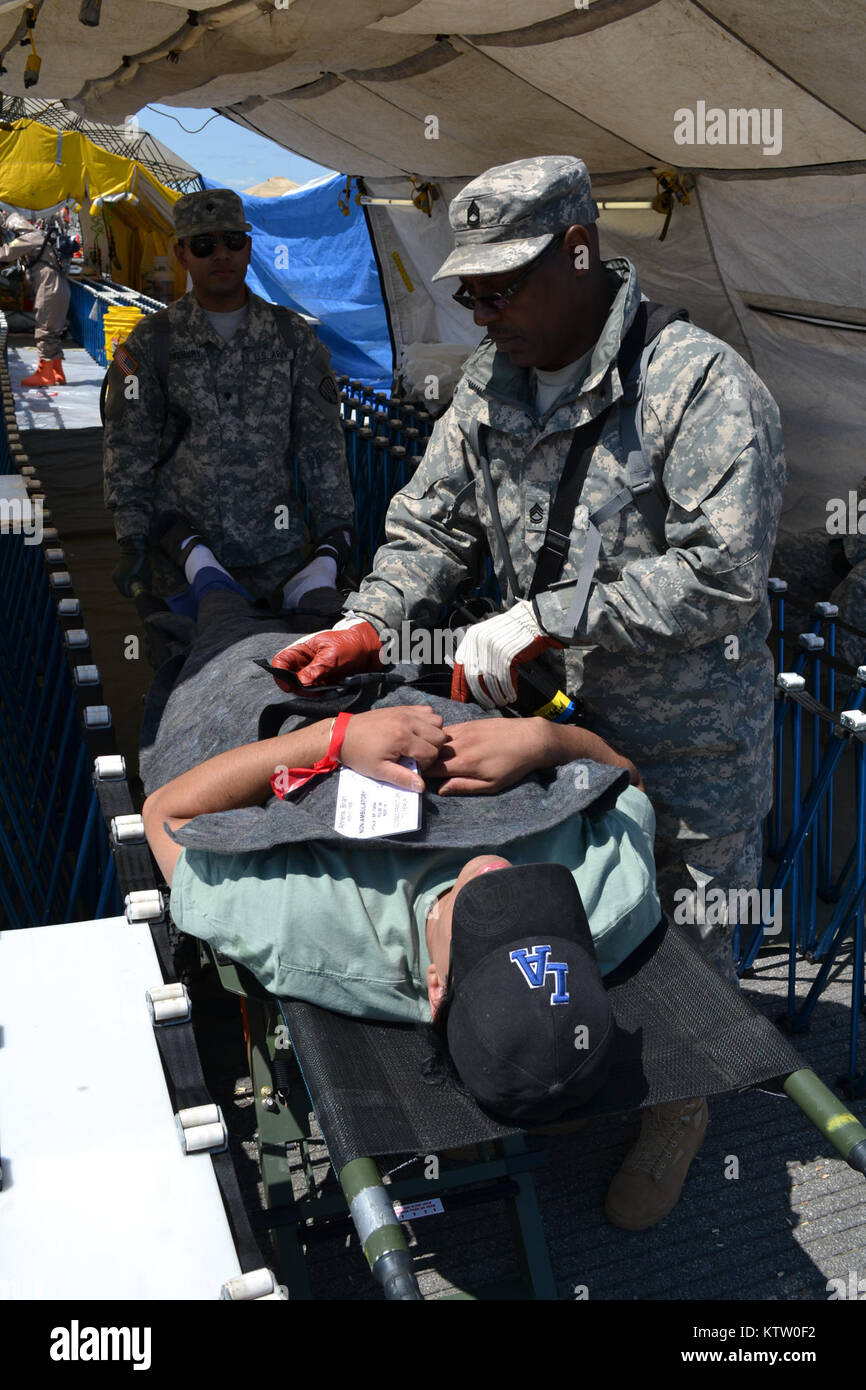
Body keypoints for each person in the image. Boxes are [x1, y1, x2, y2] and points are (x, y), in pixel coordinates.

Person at [268, 155, 787, 1227]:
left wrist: (556, 613)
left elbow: (723, 573)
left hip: (686, 740)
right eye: (467, 293)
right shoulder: (488, 385)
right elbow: (431, 523)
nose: (480, 312)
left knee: (689, 933)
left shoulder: (698, 387)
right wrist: (369, 617)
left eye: (502, 286)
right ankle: (561, 1053)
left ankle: (679, 1109)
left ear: (579, 251)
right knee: (564, 899)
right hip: (548, 725)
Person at [142, 699, 664, 1131]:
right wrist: (546, 738)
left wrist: (334, 739)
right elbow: (629, 783)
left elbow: (166, 815)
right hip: (420, 674)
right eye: (544, 914)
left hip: (279, 714)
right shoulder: (618, 904)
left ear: (436, 988)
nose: (504, 877)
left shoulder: (315, 930)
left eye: (489, 925)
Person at [102, 187, 355, 613]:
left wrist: (336, 534)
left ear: (249, 248)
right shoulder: (152, 342)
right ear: (181, 254)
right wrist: (131, 538)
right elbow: (128, 447)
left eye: (232, 242)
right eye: (204, 245)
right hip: (180, 556)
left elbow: (321, 445)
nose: (221, 254)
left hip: (275, 561)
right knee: (188, 673)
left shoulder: (291, 337)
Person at [0, 211, 71, 387]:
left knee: (44, 330)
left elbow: (6, 253)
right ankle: (57, 372)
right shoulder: (41, 238)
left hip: (49, 288)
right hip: (60, 287)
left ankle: (45, 375)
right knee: (54, 331)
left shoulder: (30, 237)